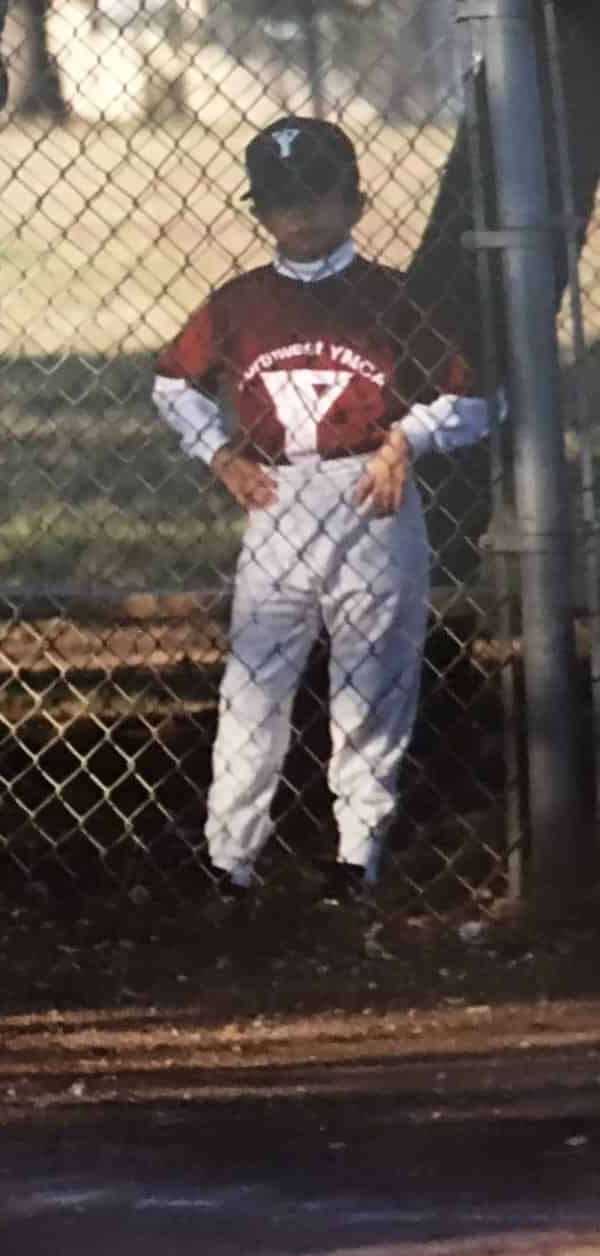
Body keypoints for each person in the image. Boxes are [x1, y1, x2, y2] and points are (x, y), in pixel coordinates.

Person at [152, 117, 494, 898]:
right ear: (258, 212)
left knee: (373, 683)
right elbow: (172, 383)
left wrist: (406, 440)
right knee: (255, 686)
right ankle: (228, 858)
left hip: (370, 496)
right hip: (277, 495)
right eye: (279, 201)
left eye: (317, 196)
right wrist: (221, 454)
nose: (299, 216)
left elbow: (476, 401)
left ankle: (357, 854)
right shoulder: (239, 302)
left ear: (355, 203)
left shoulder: (390, 297)